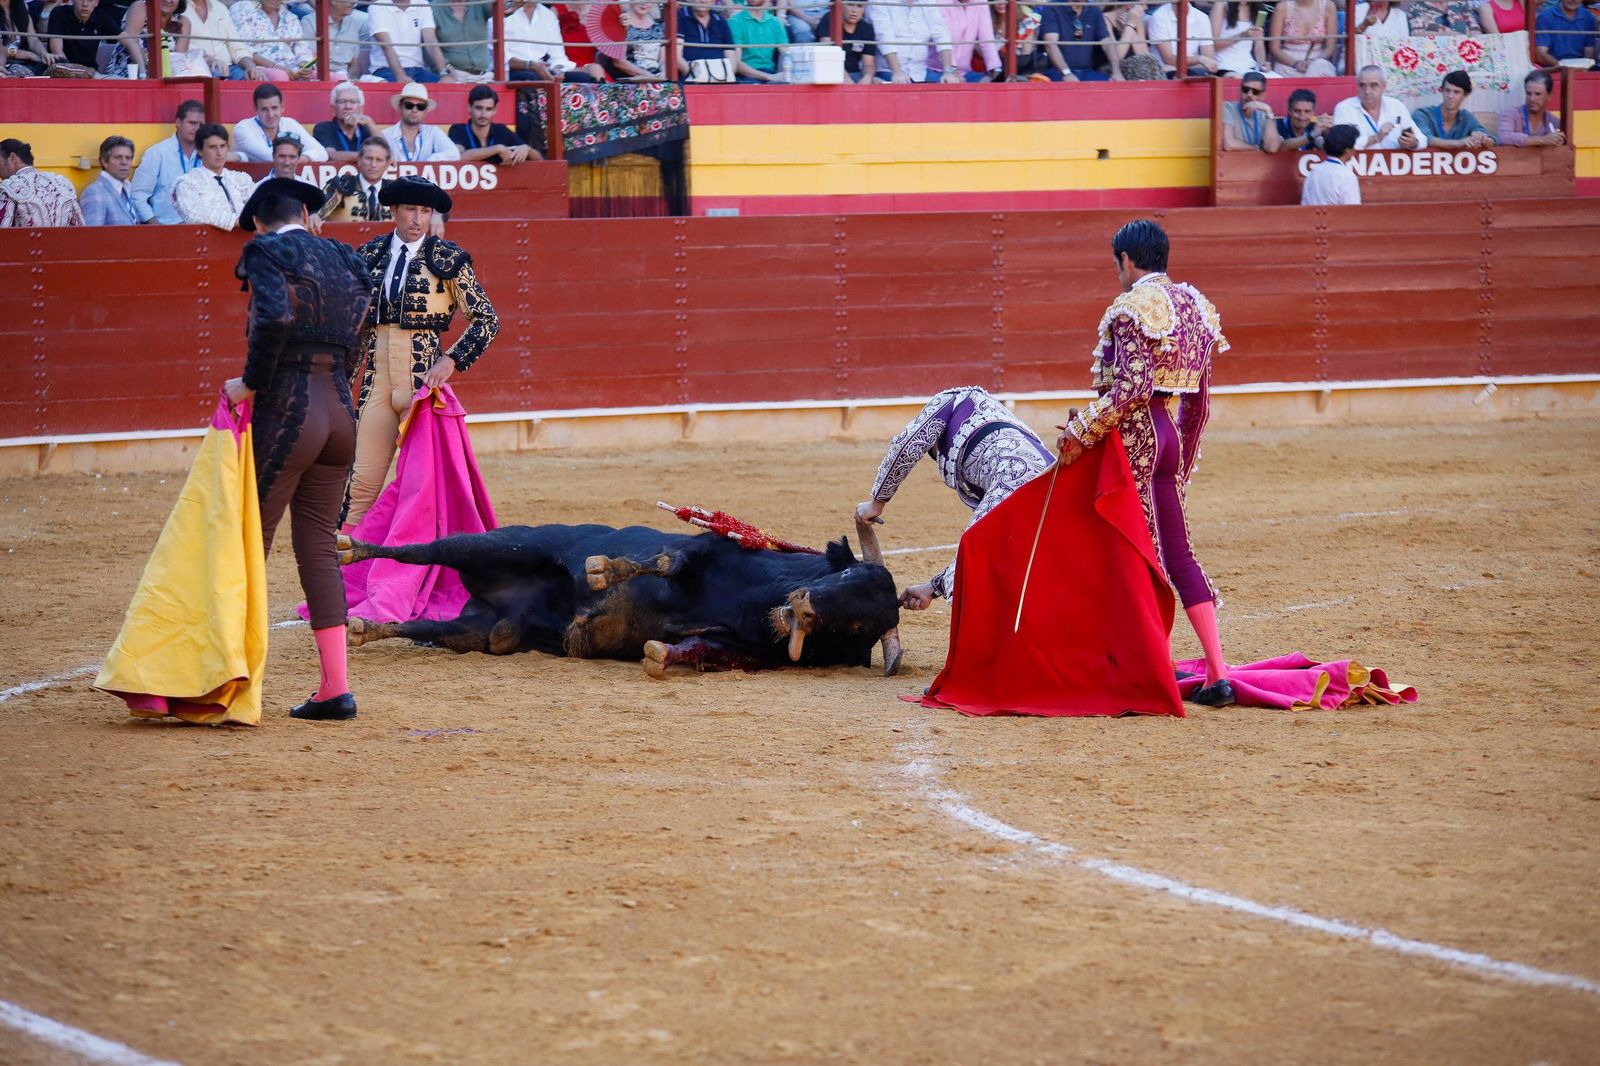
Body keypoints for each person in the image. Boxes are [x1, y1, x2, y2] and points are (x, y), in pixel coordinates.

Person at [1055, 220, 1235, 706]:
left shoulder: (1130, 307)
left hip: (1136, 439)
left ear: (1127, 261)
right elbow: (1200, 402)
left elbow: (1130, 390)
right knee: (1179, 553)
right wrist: (1182, 465)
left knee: (1135, 552)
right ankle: (1217, 673)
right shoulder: (1196, 305)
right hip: (1170, 434)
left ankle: (1144, 669)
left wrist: (1080, 429)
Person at [222, 178, 373, 721]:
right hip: (340, 415)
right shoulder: (343, 255)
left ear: (261, 222)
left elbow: (275, 317)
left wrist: (251, 382)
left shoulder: (266, 250)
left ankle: (228, 677)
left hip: (288, 411)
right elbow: (363, 325)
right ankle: (336, 688)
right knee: (316, 547)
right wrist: (341, 379)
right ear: (307, 212)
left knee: (248, 541)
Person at [343, 176, 499, 527]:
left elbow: (486, 319)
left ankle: (417, 575)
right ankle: (346, 575)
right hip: (376, 384)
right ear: (394, 210)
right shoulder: (368, 256)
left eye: (425, 211)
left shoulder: (449, 259)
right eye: (410, 209)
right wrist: (341, 383)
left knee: (421, 488)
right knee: (360, 485)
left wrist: (452, 360)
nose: (417, 219)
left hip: (422, 386)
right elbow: (355, 328)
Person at [856, 386, 1055, 610]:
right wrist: (933, 587)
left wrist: (877, 502)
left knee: (979, 563)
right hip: (1054, 478)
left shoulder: (949, 400)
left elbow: (908, 445)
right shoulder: (995, 414)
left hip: (1015, 476)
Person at [130, 99, 204, 224]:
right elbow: (138, 195)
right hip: (166, 229)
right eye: (192, 123)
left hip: (201, 230)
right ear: (178, 123)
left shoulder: (207, 153)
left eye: (201, 125)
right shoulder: (157, 153)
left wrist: (239, 156)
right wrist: (154, 225)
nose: (197, 128)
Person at [174, 123, 256, 230]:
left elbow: (259, 205)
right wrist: (236, 221)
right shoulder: (188, 183)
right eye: (212, 147)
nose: (219, 153)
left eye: (222, 146)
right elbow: (194, 214)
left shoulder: (240, 179)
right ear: (199, 151)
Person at [505, 0, 605, 81]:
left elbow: (557, 55)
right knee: (532, 77)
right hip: (513, 70)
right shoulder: (503, 15)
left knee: (582, 78)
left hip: (541, 68)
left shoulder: (547, 15)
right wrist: (532, 66)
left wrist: (558, 69)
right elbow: (501, 59)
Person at [1333, 65, 1427, 150]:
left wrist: (1413, 142)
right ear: (1357, 86)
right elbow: (1340, 144)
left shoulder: (1396, 106)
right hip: (1356, 167)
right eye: (1362, 86)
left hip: (1394, 166)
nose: (1367, 91)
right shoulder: (1344, 108)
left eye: (1374, 86)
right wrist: (1376, 138)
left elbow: (1422, 140)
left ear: (1384, 87)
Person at [233, 83, 329, 163]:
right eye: (264, 109)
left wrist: (300, 159)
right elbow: (271, 158)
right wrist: (296, 159)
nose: (270, 115)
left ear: (282, 107)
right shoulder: (243, 129)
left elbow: (322, 153)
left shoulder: (290, 123)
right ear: (256, 109)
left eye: (274, 108)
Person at [0, 138, 84, 227]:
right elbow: (80, 229)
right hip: (60, 240)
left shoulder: (8, 187)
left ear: (12, 158)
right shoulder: (63, 183)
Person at [368, 0, 456, 82]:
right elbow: (387, 46)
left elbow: (431, 41)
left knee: (446, 85)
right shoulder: (377, 6)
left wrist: (444, 73)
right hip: (385, 70)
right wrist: (400, 76)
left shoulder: (422, 4)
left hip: (418, 70)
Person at [449, 84, 536, 163]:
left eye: (488, 109)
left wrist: (527, 149)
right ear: (469, 108)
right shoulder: (458, 129)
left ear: (494, 110)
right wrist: (497, 149)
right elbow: (459, 156)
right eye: (479, 108)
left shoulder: (501, 130)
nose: (483, 114)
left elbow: (540, 160)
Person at [230, 0, 315, 81]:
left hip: (292, 68)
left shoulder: (290, 17)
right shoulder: (242, 9)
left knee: (320, 75)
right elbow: (243, 49)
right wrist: (276, 67)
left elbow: (303, 49)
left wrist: (304, 66)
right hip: (260, 68)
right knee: (280, 76)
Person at [1413, 71, 1496, 149]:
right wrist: (1460, 143)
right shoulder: (1423, 114)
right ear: (1442, 91)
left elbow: (1492, 141)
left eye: (1456, 92)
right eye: (1447, 90)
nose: (1450, 96)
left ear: (1465, 95)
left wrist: (1483, 139)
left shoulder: (1467, 118)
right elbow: (1425, 139)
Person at [320, 136, 394, 222]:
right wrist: (316, 217)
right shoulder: (340, 185)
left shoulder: (395, 190)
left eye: (379, 160)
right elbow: (316, 214)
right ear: (359, 160)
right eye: (369, 158)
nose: (373, 164)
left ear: (387, 164)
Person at [383, 82, 462, 163]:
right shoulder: (386, 135)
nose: (414, 110)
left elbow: (454, 154)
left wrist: (427, 163)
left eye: (420, 107)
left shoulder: (433, 132)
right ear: (400, 107)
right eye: (409, 105)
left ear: (426, 111)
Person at [314, 82, 384, 162]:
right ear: (333, 109)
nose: (348, 107)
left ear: (361, 109)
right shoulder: (324, 128)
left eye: (353, 102)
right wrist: (368, 157)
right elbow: (331, 155)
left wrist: (369, 122)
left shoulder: (367, 129)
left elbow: (386, 152)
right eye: (342, 102)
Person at [1266, 0, 1337, 77]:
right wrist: (1295, 64)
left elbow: (1330, 47)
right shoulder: (1282, 7)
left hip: (1319, 60)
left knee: (1319, 66)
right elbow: (1274, 47)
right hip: (1287, 63)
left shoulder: (1329, 6)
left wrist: (1313, 62)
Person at [79, 135, 139, 225]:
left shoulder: (128, 189)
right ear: (104, 162)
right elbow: (91, 236)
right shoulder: (95, 192)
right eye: (118, 157)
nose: (124, 162)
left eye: (128, 158)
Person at [1498, 69, 1566, 147]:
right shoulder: (1510, 114)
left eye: (1538, 94)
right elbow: (1503, 137)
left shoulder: (1555, 122)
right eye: (1528, 93)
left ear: (1549, 96)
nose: (1532, 99)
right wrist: (1543, 140)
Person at [304, 0, 369, 80]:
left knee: (380, 82)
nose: (354, 2)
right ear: (333, 1)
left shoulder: (352, 22)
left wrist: (351, 80)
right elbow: (310, 58)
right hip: (320, 77)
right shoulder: (310, 22)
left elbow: (354, 61)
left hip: (346, 78)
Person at [1148, 0, 1217, 76]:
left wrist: (1202, 61)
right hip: (1166, 72)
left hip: (1192, 70)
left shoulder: (1202, 17)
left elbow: (1209, 59)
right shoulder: (1159, 16)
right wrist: (1200, 59)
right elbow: (1169, 60)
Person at [182, 0, 247, 78]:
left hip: (229, 68)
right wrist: (206, 59)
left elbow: (237, 46)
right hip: (196, 69)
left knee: (255, 80)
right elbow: (178, 50)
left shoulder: (220, 8)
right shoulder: (177, 7)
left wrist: (251, 66)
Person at [730, 0, 791, 83]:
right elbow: (736, 63)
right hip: (746, 76)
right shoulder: (735, 22)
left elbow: (786, 54)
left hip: (770, 74)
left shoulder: (776, 22)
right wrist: (770, 77)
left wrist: (782, 75)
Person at [46, 0, 119, 68]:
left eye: (90, 0)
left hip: (90, 72)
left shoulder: (101, 15)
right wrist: (73, 72)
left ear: (96, 2)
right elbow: (56, 51)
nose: (85, 4)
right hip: (61, 71)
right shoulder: (59, 13)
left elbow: (124, 37)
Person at [1221, 71, 1283, 152]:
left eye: (1255, 92)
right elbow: (1228, 144)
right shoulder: (1228, 107)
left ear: (1262, 96)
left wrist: (1268, 111)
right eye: (1245, 90)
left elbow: (1272, 148)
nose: (1249, 95)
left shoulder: (1266, 113)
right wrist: (1255, 148)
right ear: (1240, 90)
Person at [1300, 122, 1360, 204]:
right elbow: (1352, 212)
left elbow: (1305, 205)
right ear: (1348, 151)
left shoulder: (1313, 173)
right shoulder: (1347, 176)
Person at [678, 0, 739, 81]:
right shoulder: (679, 16)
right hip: (690, 80)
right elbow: (676, 56)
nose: (702, 1)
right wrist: (695, 76)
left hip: (721, 80)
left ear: (714, 1)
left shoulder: (720, 21)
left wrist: (724, 76)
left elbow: (731, 57)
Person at [941, 0, 1001, 81]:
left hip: (965, 72)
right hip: (939, 70)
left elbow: (987, 37)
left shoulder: (981, 2)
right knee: (956, 85)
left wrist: (996, 69)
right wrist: (952, 71)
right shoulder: (941, 2)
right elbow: (942, 39)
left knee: (989, 83)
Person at [430, 0, 490, 79]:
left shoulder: (479, 3)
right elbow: (429, 43)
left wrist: (511, 5)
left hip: (483, 75)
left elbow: (505, 7)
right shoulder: (434, 8)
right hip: (453, 75)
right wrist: (446, 68)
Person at [818, 0, 875, 82]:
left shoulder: (867, 28)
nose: (854, 10)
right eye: (850, 4)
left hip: (855, 73)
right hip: (829, 73)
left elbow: (869, 64)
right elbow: (826, 54)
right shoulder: (829, 19)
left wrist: (867, 77)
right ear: (841, 5)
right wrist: (845, 78)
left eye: (860, 6)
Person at [1210, 0, 1266, 76]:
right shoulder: (1221, 5)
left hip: (1249, 66)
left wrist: (1263, 64)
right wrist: (1242, 35)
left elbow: (1259, 45)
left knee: (1276, 79)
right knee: (1239, 79)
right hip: (1224, 65)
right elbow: (1213, 45)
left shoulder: (1258, 8)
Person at [1533, 0, 1597, 67]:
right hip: (1553, 69)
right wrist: (1562, 67)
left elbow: (1589, 51)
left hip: (1581, 70)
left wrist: (1584, 67)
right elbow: (1540, 54)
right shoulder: (1545, 17)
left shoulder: (1588, 17)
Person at [613, 0, 666, 79]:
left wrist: (664, 72)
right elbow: (618, 62)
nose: (644, 3)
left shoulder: (658, 26)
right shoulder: (620, 23)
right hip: (630, 78)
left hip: (657, 77)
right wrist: (648, 75)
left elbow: (663, 59)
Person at [2, 0, 57, 75]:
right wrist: (28, 55)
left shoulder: (21, 10)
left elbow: (33, 40)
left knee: (57, 62)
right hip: (6, 62)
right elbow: (2, 50)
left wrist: (44, 54)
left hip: (26, 61)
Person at [1275, 87, 1332, 151]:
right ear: (1289, 110)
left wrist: (1329, 134)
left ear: (1313, 112)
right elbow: (1282, 146)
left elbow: (1328, 148)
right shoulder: (1277, 125)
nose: (1302, 117)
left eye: (1307, 112)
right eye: (1297, 111)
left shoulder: (1314, 127)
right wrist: (1312, 136)